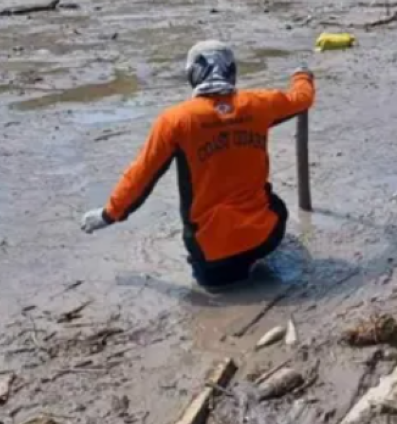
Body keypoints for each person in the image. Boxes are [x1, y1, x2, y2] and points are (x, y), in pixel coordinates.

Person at [80, 41, 315, 289]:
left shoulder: (175, 121)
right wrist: (302, 75)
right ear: (231, 71)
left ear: (192, 73)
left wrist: (108, 214)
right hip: (266, 235)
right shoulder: (259, 104)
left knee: (217, 286)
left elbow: (141, 176)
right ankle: (254, 260)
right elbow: (302, 98)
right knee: (273, 204)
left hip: (212, 253)